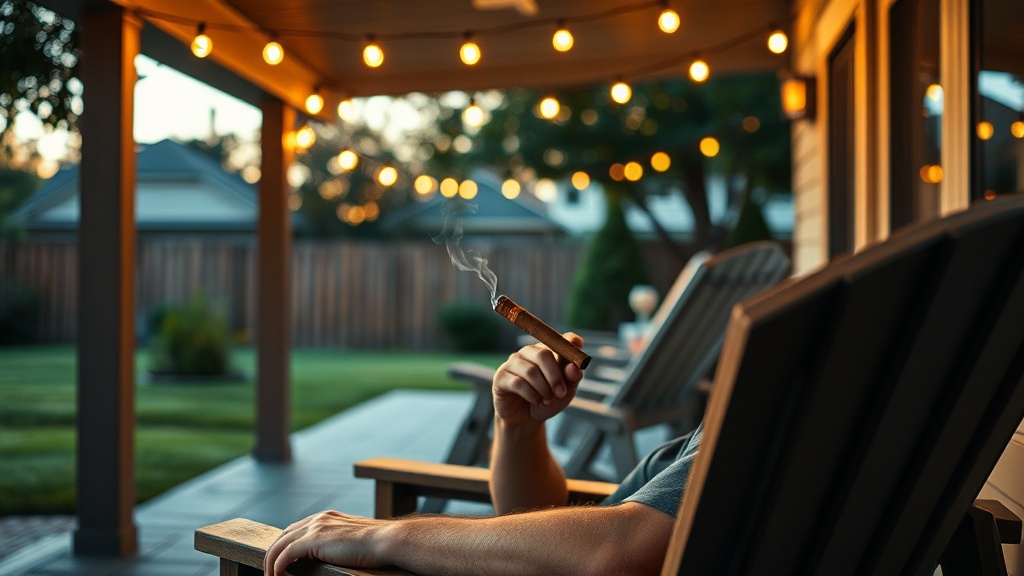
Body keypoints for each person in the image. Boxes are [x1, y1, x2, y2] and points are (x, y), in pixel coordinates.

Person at [265, 333, 703, 576]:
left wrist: (384, 537)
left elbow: (614, 554)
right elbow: (538, 524)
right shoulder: (695, 451)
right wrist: (519, 428)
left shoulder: (748, 433)